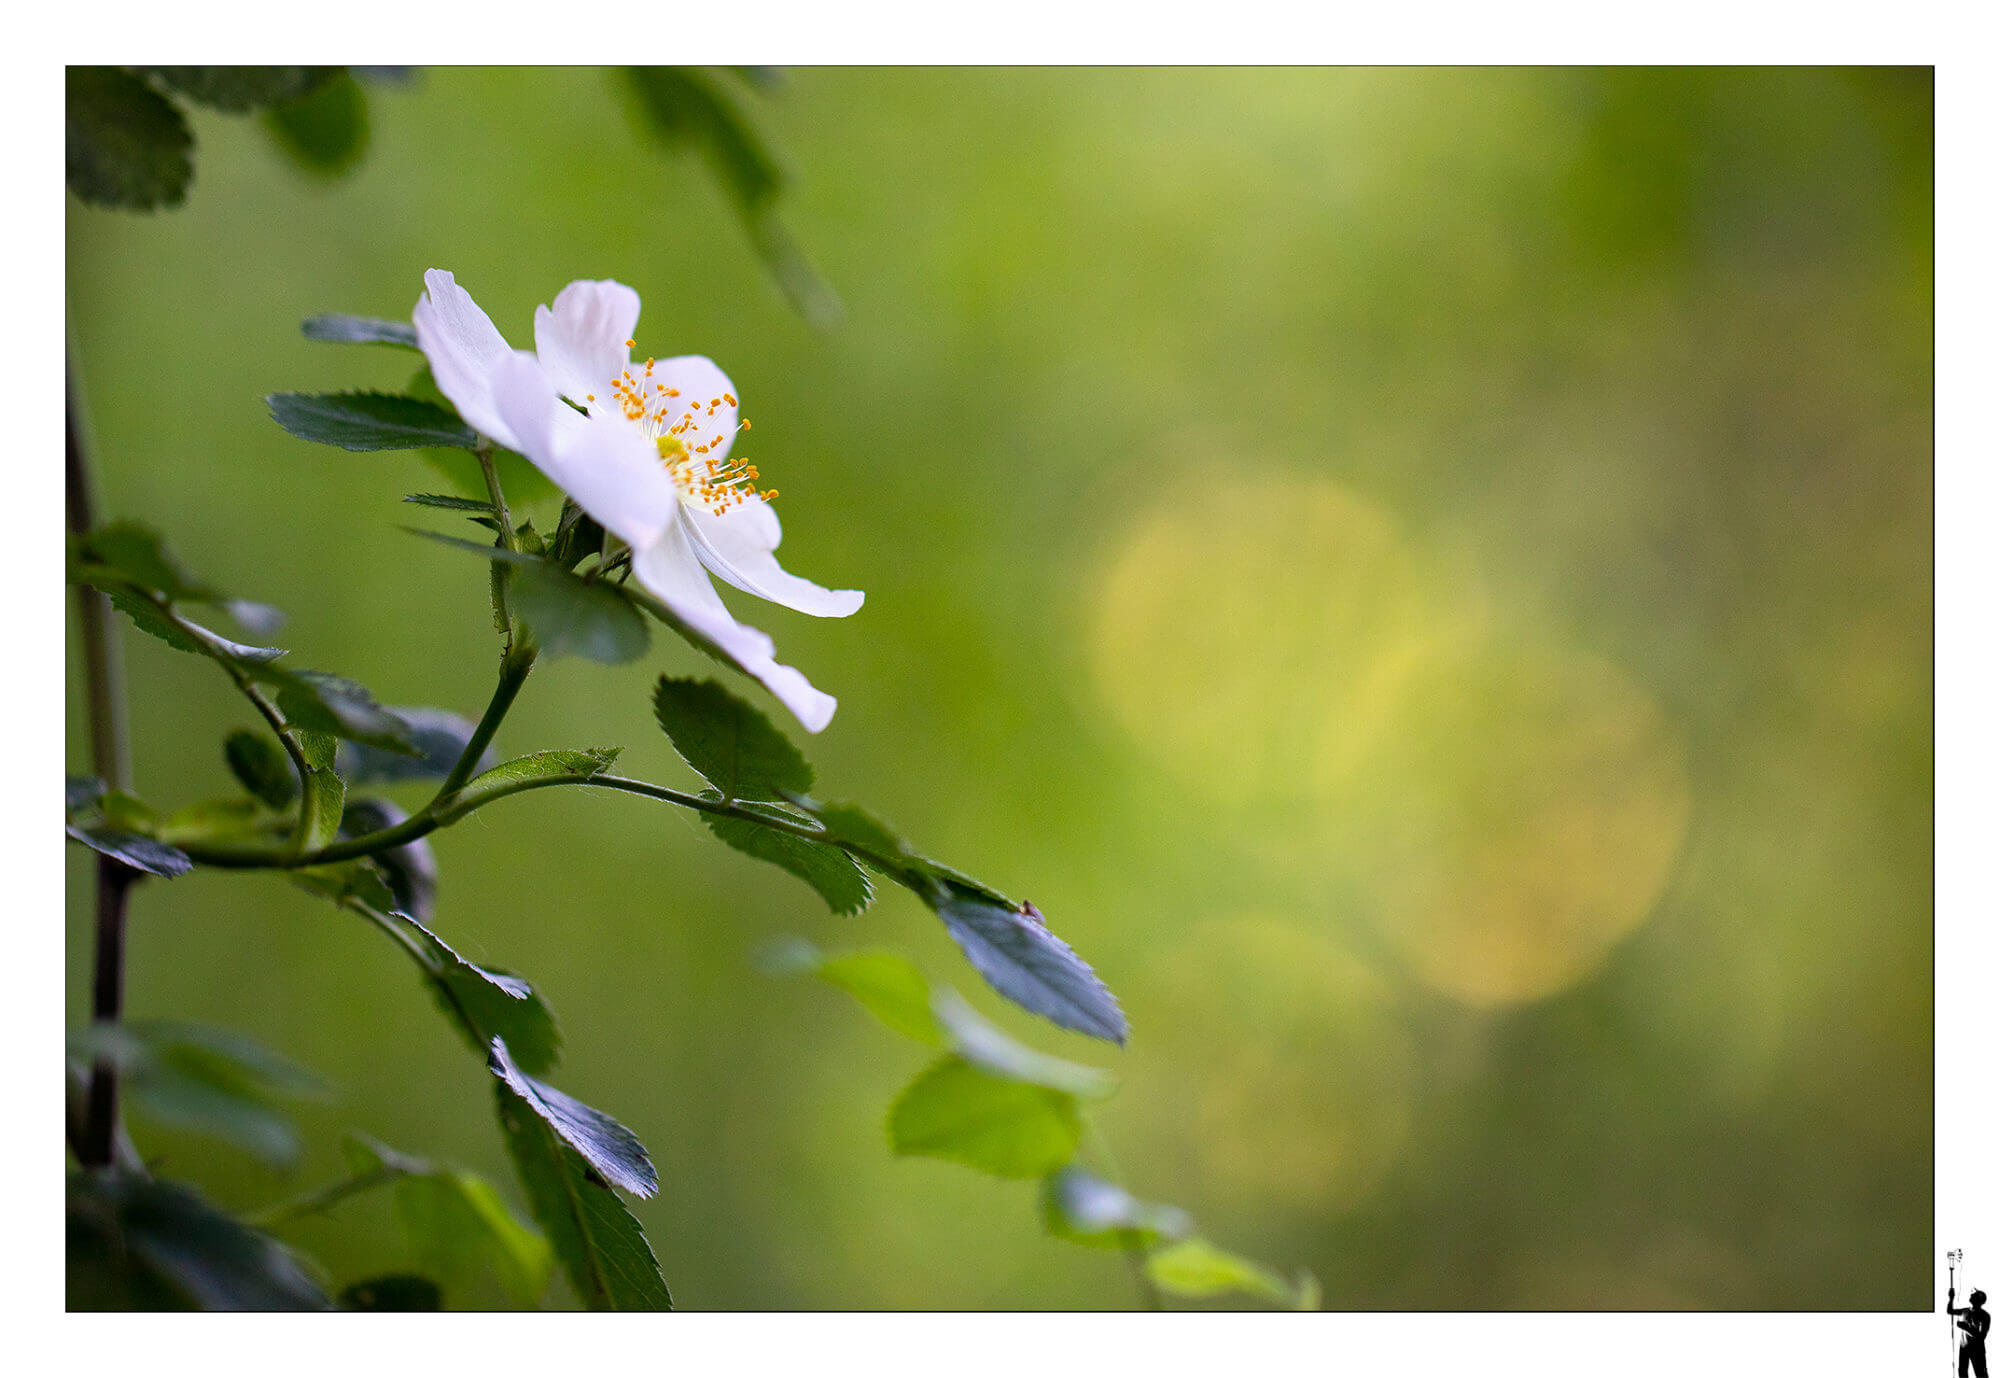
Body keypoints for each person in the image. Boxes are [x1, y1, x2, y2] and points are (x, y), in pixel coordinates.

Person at [1950, 1287, 1991, 1378]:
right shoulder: (1965, 1311)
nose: (1971, 1294)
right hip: (1963, 1347)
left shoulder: (1984, 1316)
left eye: (1974, 1295)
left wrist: (1965, 1328)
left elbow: (1981, 1337)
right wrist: (1951, 1298)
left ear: (1978, 1300)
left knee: (1981, 1374)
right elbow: (1950, 1311)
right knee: (1962, 1372)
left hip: (1977, 1350)